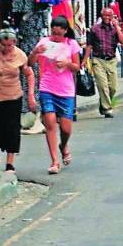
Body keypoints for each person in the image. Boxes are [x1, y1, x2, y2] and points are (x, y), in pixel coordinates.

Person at [0, 28, 37, 174]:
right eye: (3, 45)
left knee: (12, 129)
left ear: (14, 43)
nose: (5, 48)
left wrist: (30, 95)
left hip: (13, 96)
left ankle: (10, 163)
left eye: (9, 45)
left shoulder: (20, 55)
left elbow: (29, 74)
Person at [31, 17, 82, 175]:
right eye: (54, 32)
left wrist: (67, 63)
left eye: (59, 33)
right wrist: (34, 52)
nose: (56, 36)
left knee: (66, 128)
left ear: (65, 31)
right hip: (47, 88)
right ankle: (54, 161)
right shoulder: (44, 43)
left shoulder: (71, 44)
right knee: (50, 123)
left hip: (66, 90)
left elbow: (76, 67)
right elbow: (30, 62)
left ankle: (63, 146)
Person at [85, 7, 123, 118]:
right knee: (103, 86)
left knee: (113, 87)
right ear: (101, 16)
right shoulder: (94, 29)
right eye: (105, 15)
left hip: (111, 60)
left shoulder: (115, 29)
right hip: (98, 60)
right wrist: (84, 61)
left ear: (112, 17)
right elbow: (89, 46)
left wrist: (116, 26)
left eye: (109, 16)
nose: (107, 18)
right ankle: (107, 108)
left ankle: (103, 104)